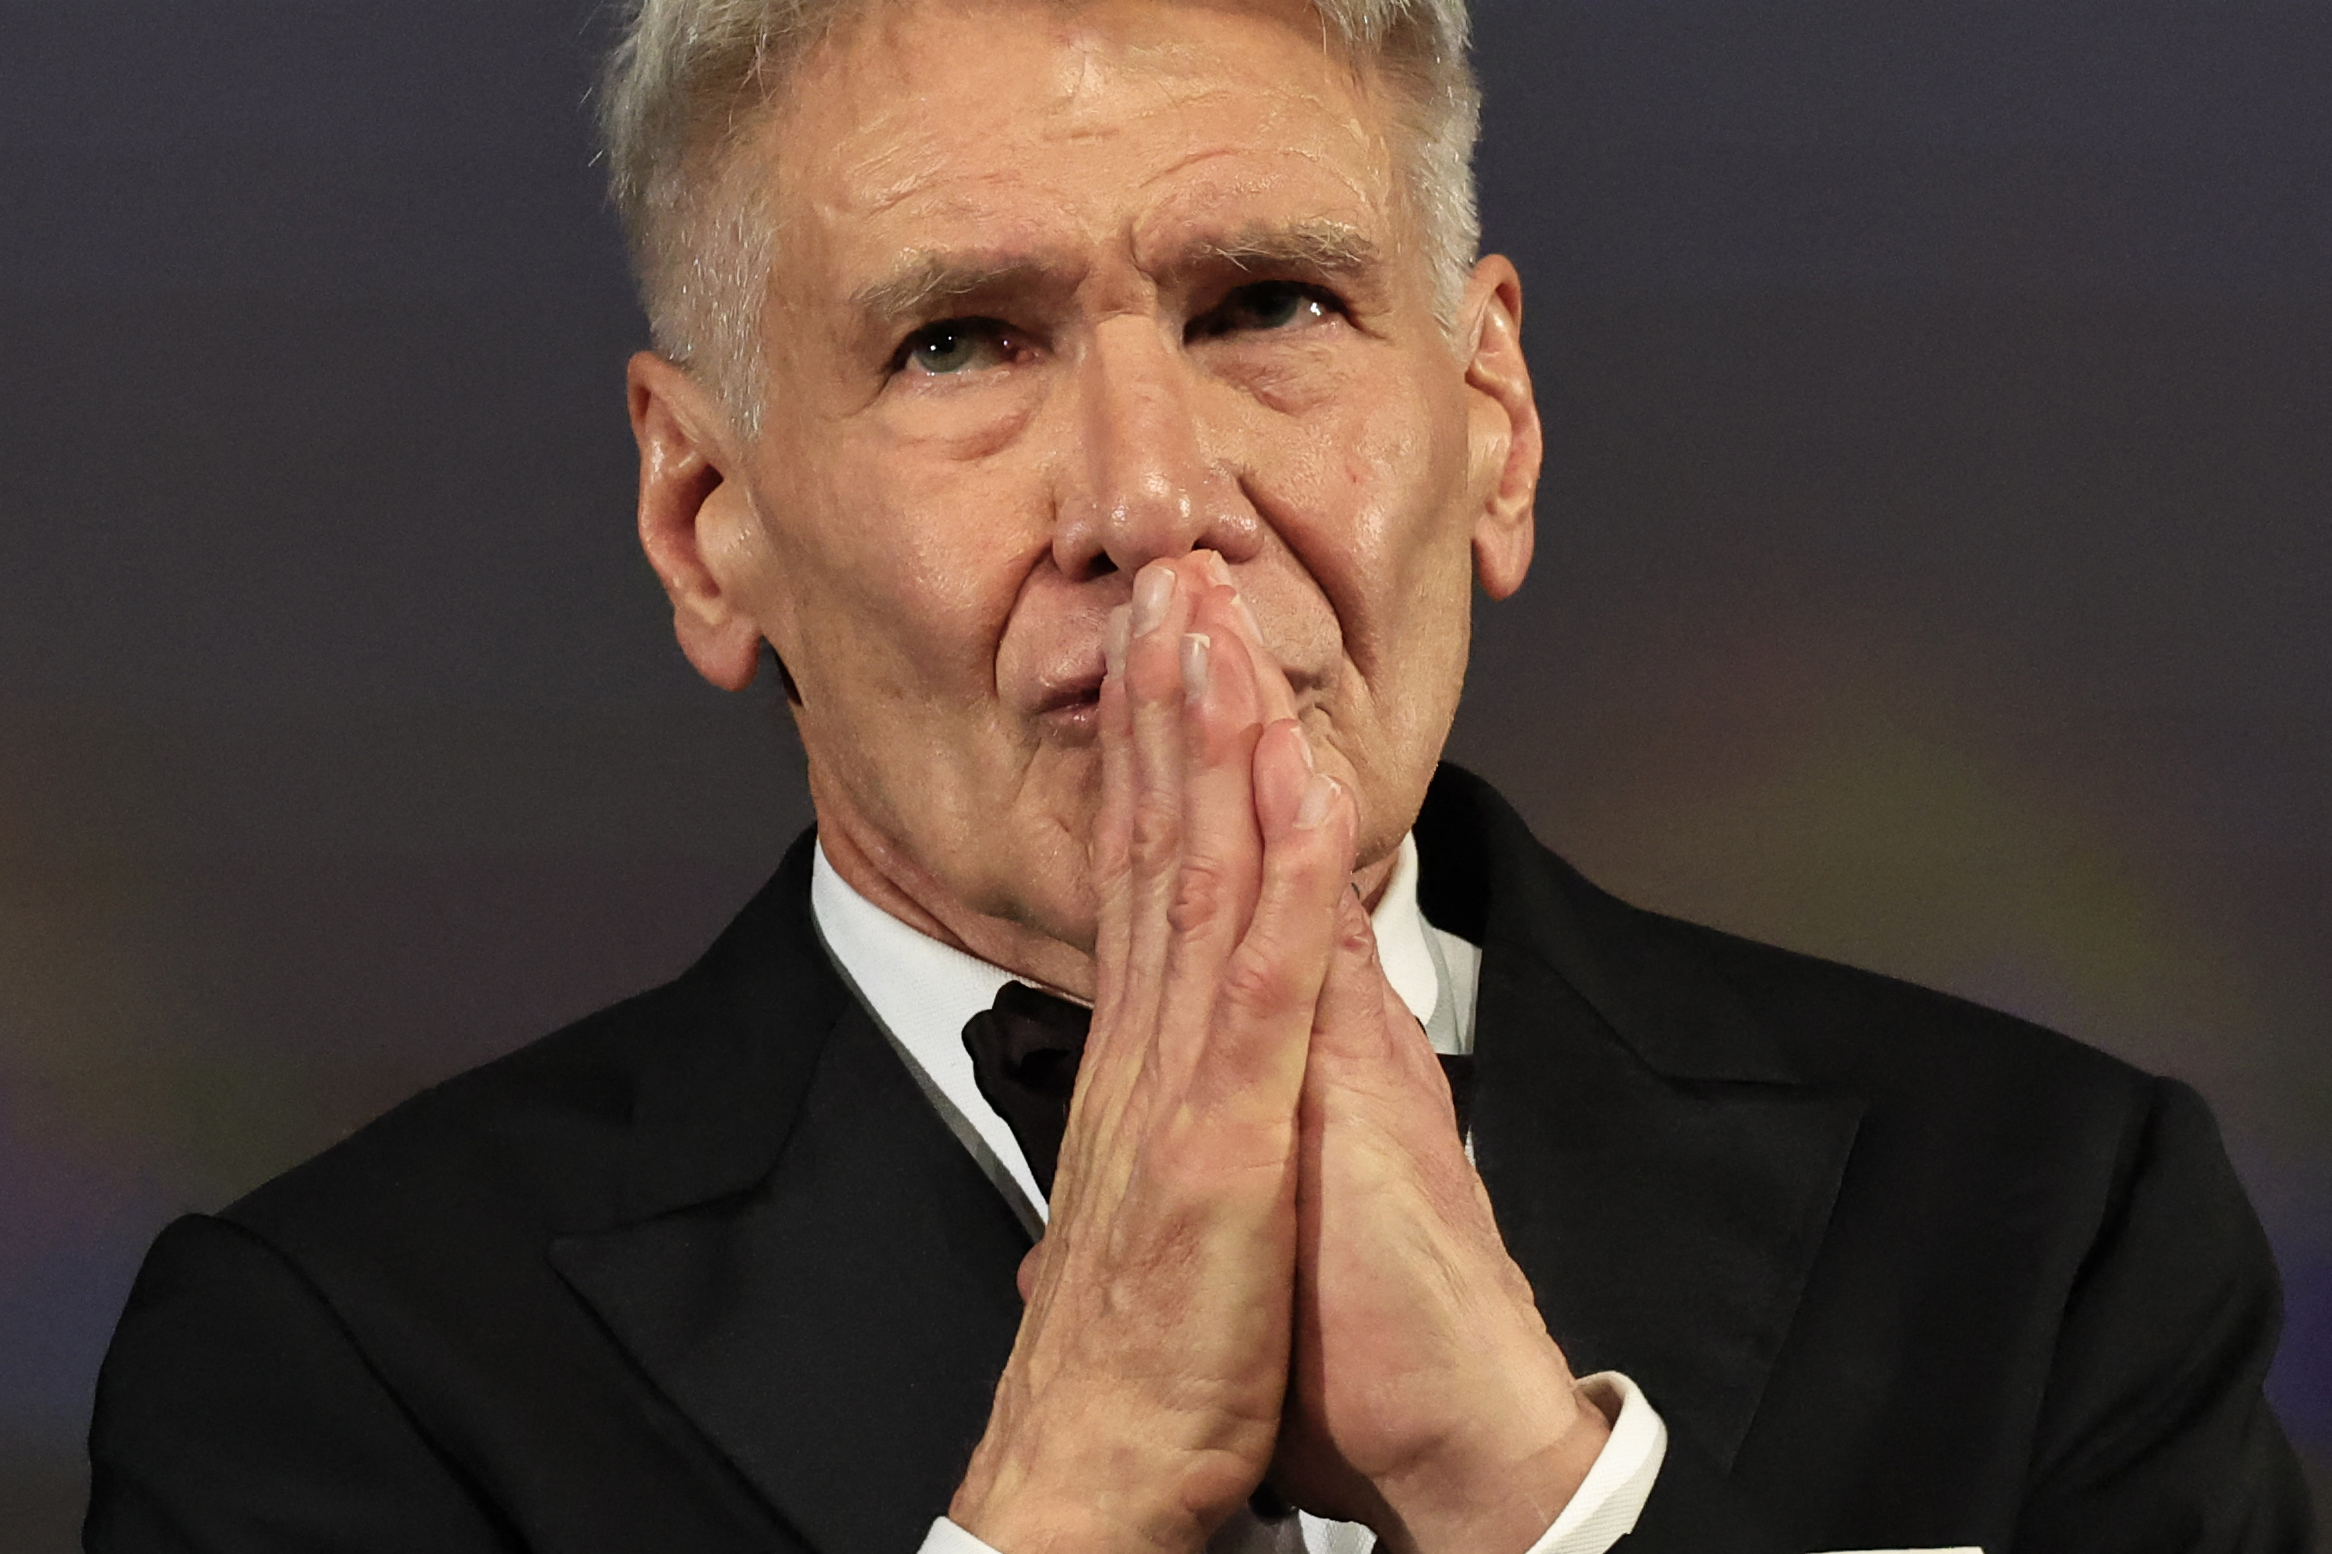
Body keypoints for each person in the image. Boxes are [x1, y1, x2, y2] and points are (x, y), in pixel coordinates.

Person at [84, 0, 2310, 1550]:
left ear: (1492, 423)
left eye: (1266, 305)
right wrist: (1058, 1507)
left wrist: (1531, 1503)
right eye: (962, 341)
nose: (1153, 494)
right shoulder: (345, 1369)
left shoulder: (2043, 1232)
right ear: (706, 521)